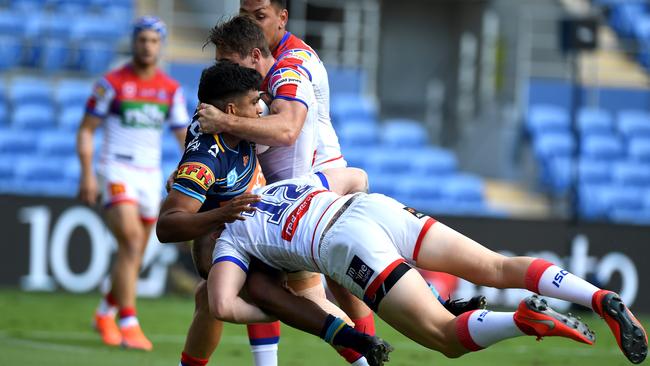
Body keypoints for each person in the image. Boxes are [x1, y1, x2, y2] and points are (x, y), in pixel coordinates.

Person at [209, 173, 648, 365]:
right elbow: (355, 175)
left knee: (444, 336)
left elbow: (224, 304)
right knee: (496, 266)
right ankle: (597, 297)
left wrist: (285, 310)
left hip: (344, 245)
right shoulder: (286, 183)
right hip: (371, 207)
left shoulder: (229, 236)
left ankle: (522, 320)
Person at [160, 60, 384, 366]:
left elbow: (280, 124)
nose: (260, 109)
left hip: (277, 211)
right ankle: (358, 350)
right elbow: (167, 227)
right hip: (249, 231)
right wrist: (215, 213)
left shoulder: (236, 123)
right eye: (253, 103)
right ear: (229, 110)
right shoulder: (206, 160)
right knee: (249, 295)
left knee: (355, 180)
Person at [76, 16, 189, 351]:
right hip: (116, 171)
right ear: (134, 42)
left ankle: (105, 311)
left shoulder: (170, 90)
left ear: (161, 45)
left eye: (154, 41)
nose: (148, 46)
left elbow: (184, 137)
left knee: (137, 248)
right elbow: (86, 130)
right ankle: (129, 320)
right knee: (130, 238)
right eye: (143, 40)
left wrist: (189, 173)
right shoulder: (110, 84)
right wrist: (86, 173)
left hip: (149, 176)